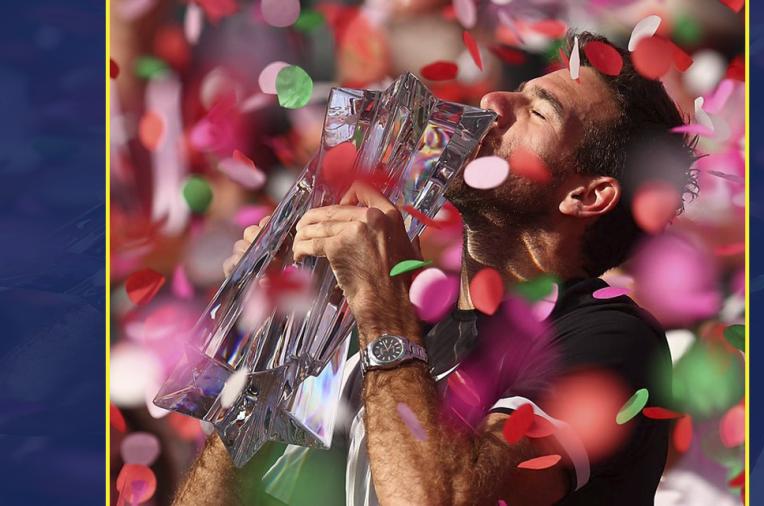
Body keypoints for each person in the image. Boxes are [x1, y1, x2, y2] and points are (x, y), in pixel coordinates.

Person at [175, 31, 696, 506]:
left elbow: (440, 500)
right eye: (519, 91)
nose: (494, 102)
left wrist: (383, 313)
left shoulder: (609, 341)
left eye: (539, 112)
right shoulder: (398, 328)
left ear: (587, 195)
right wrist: (285, 334)